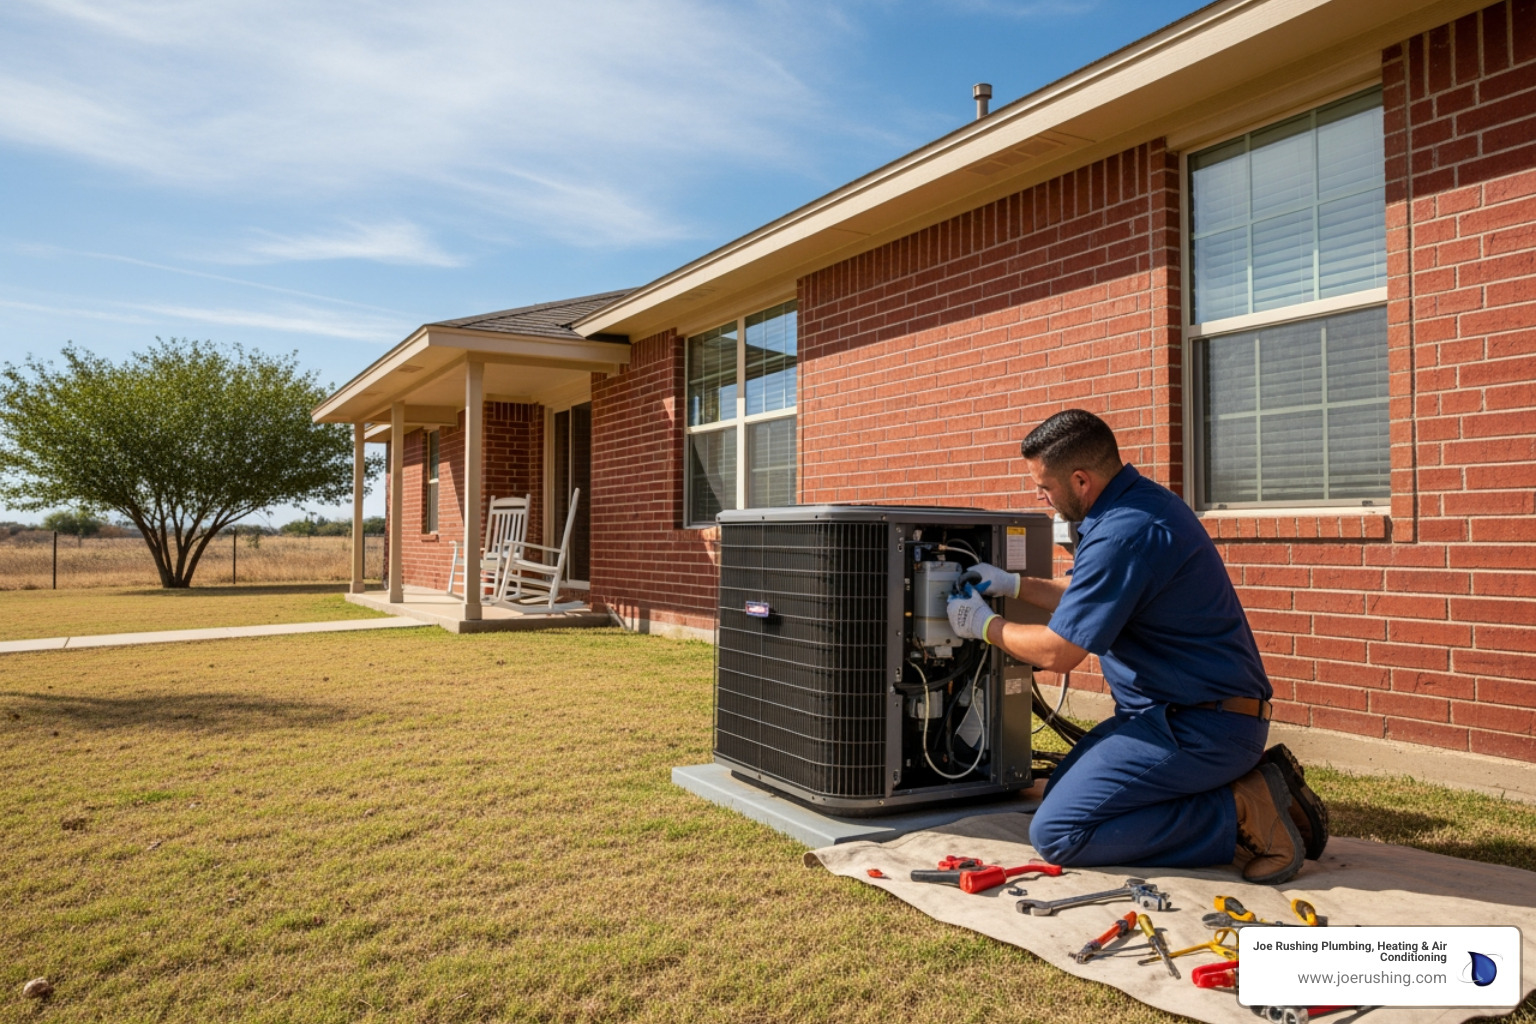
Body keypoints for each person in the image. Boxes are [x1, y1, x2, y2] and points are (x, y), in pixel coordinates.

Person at [945, 409, 1327, 885]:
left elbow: (1057, 653)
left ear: (1081, 480)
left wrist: (985, 626)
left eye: (1044, 485)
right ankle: (1243, 790)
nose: (1039, 496)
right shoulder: (1137, 508)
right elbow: (1093, 591)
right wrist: (1014, 585)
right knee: (1060, 789)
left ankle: (1240, 811)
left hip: (1202, 726)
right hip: (1173, 716)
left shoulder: (1125, 533)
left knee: (1059, 831)